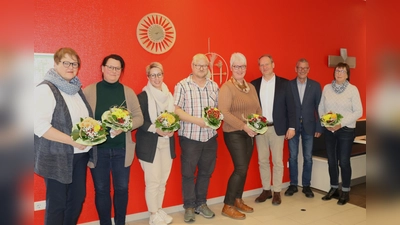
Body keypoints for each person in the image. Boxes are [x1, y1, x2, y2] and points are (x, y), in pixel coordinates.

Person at [34, 47, 94, 225]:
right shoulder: (45, 89)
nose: (71, 67)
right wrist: (72, 140)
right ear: (55, 64)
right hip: (56, 156)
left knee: (76, 201)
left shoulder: (75, 89)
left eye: (74, 63)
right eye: (66, 62)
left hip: (78, 156)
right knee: (57, 204)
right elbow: (39, 126)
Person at [84, 54, 144, 225]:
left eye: (117, 68)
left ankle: (120, 222)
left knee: (122, 189)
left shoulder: (128, 92)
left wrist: (124, 127)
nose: (113, 71)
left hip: (121, 150)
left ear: (121, 71)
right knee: (101, 190)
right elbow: (81, 118)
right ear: (102, 68)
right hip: (98, 151)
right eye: (110, 67)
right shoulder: (89, 91)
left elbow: (139, 118)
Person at [174, 53, 219, 223]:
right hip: (190, 138)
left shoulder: (214, 86)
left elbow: (216, 111)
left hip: (209, 138)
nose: (201, 68)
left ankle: (201, 204)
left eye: (204, 65)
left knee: (206, 173)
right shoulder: (182, 86)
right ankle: (189, 207)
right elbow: (176, 110)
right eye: (198, 65)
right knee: (188, 174)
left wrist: (215, 120)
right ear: (192, 66)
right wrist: (198, 121)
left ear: (208, 68)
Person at [218, 53, 261, 220]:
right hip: (234, 132)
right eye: (236, 66)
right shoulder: (226, 88)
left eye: (243, 66)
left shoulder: (251, 87)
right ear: (231, 67)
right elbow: (224, 112)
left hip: (250, 133)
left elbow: (258, 109)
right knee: (240, 168)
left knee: (244, 168)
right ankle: (227, 205)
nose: (240, 69)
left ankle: (237, 199)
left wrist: (257, 125)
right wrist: (244, 126)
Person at [251, 54, 296, 205]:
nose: (264, 67)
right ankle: (266, 190)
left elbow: (292, 107)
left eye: (267, 64)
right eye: (261, 65)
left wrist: (292, 127)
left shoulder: (285, 84)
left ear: (273, 64)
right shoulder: (254, 84)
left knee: (277, 161)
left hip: (278, 128)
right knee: (262, 160)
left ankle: (277, 191)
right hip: (260, 129)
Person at [136, 62, 176, 225]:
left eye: (159, 74)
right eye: (153, 75)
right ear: (148, 77)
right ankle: (153, 215)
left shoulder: (169, 96)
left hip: (167, 143)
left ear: (163, 75)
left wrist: (173, 128)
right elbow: (139, 121)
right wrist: (156, 129)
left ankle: (159, 209)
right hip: (149, 146)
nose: (156, 78)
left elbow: (173, 118)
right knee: (153, 181)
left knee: (162, 180)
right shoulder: (143, 97)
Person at [318, 62, 362, 205]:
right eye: (337, 70)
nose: (339, 73)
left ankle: (346, 191)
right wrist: (326, 123)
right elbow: (321, 107)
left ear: (347, 74)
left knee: (343, 161)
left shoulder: (352, 90)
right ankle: (334, 188)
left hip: (345, 130)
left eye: (342, 71)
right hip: (329, 130)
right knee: (331, 161)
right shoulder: (327, 88)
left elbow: (358, 111)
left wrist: (340, 124)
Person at [285, 58, 322, 198]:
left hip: (309, 125)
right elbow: (285, 107)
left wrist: (319, 126)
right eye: (300, 68)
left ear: (309, 70)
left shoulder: (316, 86)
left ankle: (307, 186)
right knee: (292, 156)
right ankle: (293, 184)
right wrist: (286, 127)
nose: (302, 70)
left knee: (308, 157)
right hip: (292, 126)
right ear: (296, 69)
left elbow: (320, 107)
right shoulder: (288, 85)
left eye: (305, 68)